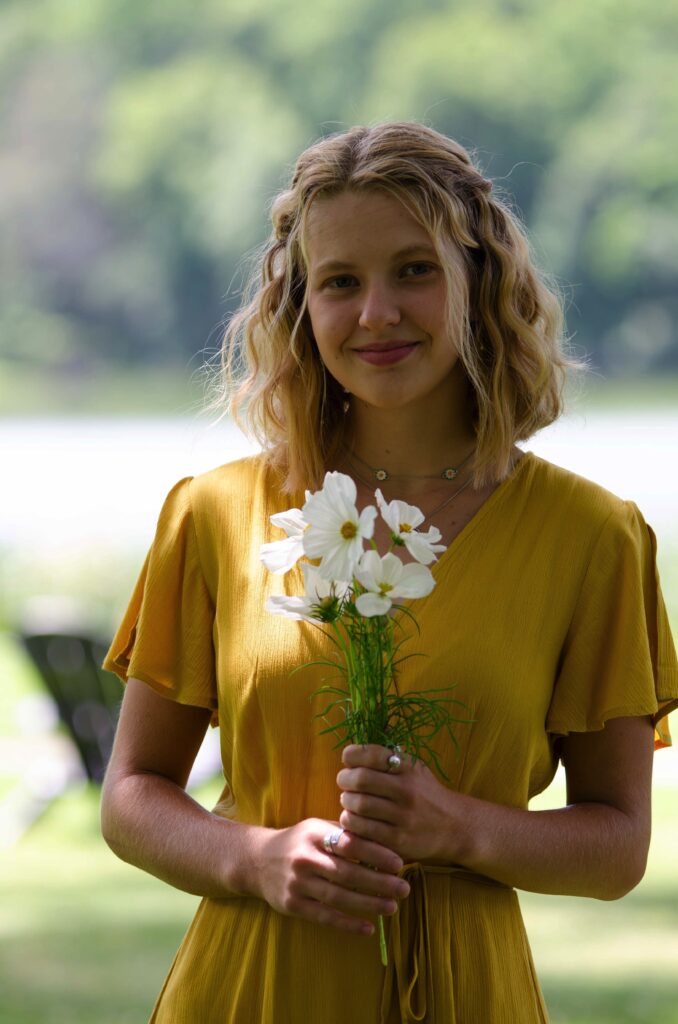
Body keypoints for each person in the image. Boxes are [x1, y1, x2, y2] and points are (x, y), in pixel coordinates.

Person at [100, 121, 678, 1023]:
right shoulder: (214, 514)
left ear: (478, 283)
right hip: (248, 988)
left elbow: (618, 845)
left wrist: (463, 829)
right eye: (340, 282)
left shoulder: (593, 536)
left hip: (468, 992)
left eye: (414, 269)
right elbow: (131, 796)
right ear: (301, 309)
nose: (377, 314)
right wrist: (250, 858)